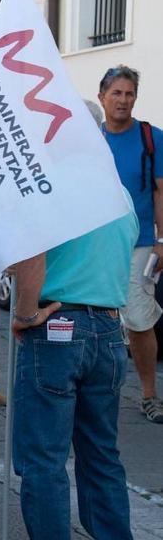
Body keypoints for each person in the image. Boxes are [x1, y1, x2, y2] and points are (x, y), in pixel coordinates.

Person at [0, 189, 138, 540]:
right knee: (101, 454)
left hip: (59, 321)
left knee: (43, 458)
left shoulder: (50, 183)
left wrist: (23, 313)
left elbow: (31, 254)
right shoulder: (117, 189)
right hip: (109, 325)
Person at [97, 65, 163, 423]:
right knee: (100, 319)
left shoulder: (152, 138)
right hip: (97, 247)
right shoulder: (90, 137)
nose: (123, 100)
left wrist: (162, 241)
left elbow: (160, 193)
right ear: (102, 97)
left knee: (139, 319)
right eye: (116, 93)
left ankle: (149, 394)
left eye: (129, 94)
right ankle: (99, 392)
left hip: (138, 243)